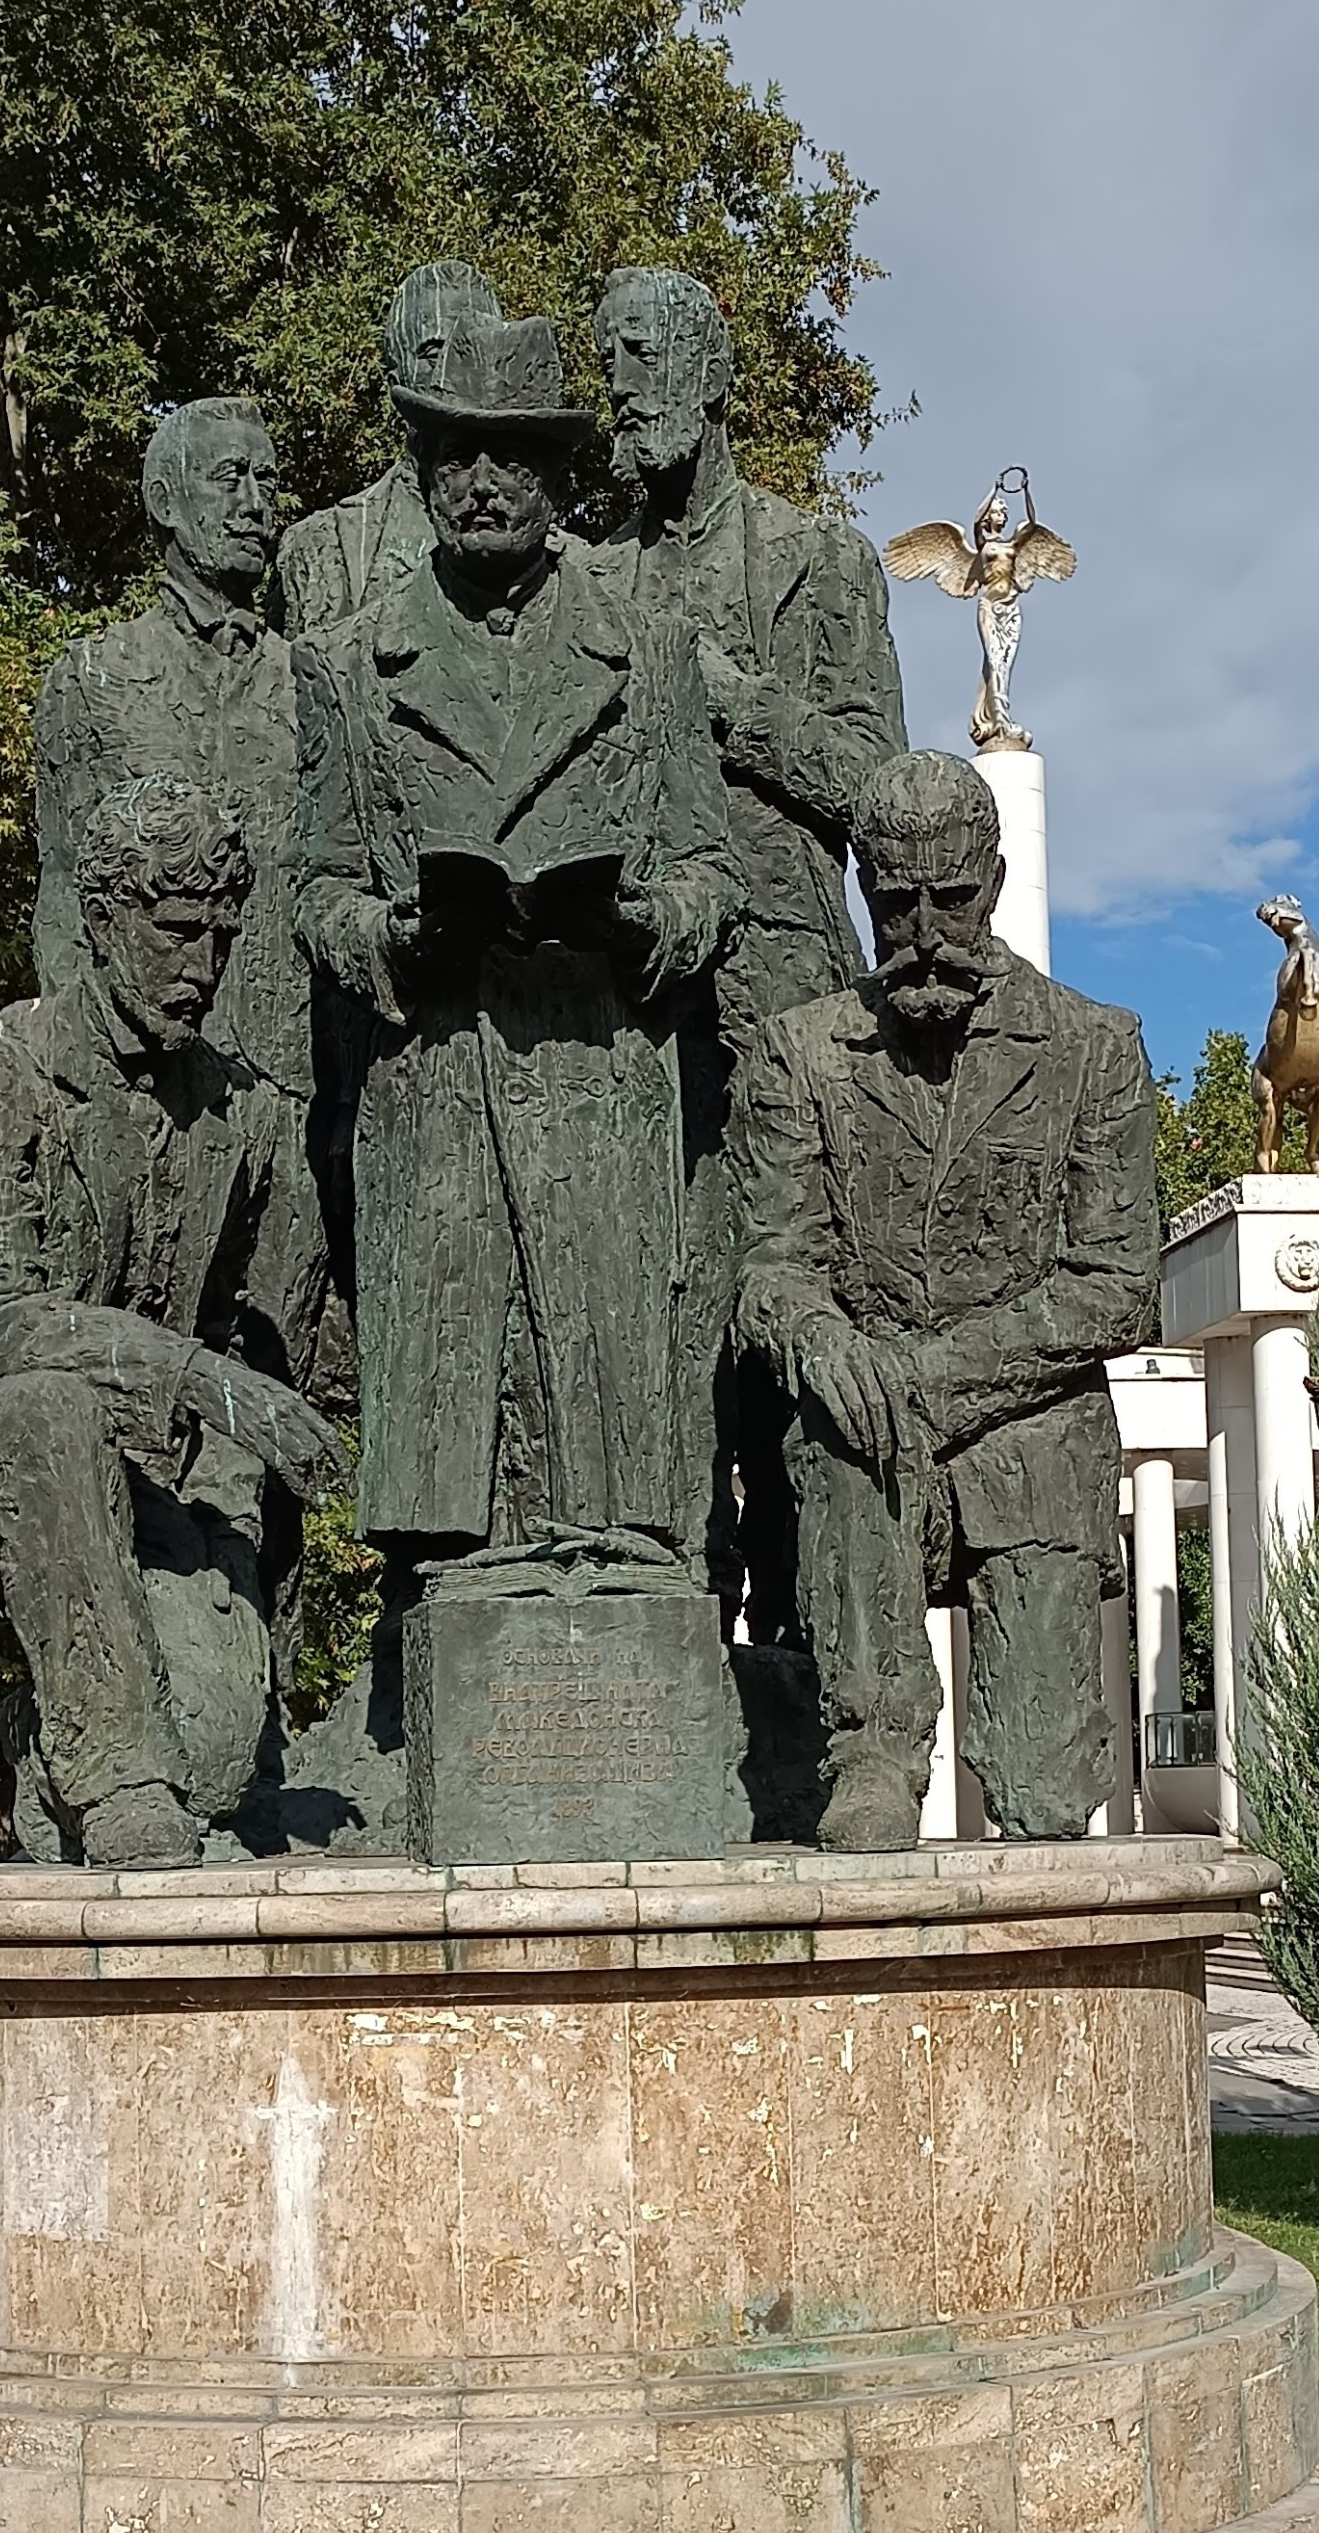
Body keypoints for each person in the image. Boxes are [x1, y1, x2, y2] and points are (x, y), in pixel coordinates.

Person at [293, 311, 740, 1732]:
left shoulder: (646, 640)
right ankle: (439, 1686)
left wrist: (648, 924)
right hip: (436, 1074)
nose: (480, 478)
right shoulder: (355, 661)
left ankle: (610, 1630)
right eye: (451, 451)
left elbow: (709, 865)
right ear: (422, 468)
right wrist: (393, 932)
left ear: (559, 478)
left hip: (603, 1068)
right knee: (456, 1466)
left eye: (512, 454)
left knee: (605, 1442)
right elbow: (312, 883)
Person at [0, 781, 346, 1869]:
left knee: (222, 1762)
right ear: (102, 920)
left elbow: (281, 1347)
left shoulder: (247, 1114)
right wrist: (200, 1377)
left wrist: (247, 1461)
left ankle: (65, 1746)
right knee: (45, 1409)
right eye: (175, 932)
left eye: (223, 937)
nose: (202, 965)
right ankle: (115, 1783)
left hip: (148, 1478)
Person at [733, 750, 1158, 1847]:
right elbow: (772, 1261)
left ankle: (1037, 1745)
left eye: (951, 898)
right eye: (894, 902)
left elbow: (1116, 1285)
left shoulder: (1092, 1045)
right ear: (862, 894)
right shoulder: (801, 1052)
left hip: (1031, 1441)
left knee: (1044, 1798)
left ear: (996, 880)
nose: (923, 929)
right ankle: (869, 1742)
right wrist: (816, 1334)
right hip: (866, 1457)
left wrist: (919, 1379)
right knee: (837, 1421)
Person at [592, 265, 907, 1626]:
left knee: (784, 1331)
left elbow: (884, 795)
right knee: (652, 1331)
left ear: (714, 375)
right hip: (625, 1007)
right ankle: (663, 1621)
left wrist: (731, 705)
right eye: (609, 360)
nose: (622, 386)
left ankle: (800, 1648)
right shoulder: (583, 578)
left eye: (647, 356)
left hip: (784, 996)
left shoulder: (815, 562)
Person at [34, 398, 327, 1391]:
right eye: (228, 479)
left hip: (282, 1086)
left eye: (266, 480)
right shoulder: (91, 678)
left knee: (270, 1364)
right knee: (123, 1366)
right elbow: (61, 892)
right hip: (138, 1092)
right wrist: (75, 1085)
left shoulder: (312, 686)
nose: (256, 504)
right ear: (165, 499)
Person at [278, 261, 505, 637]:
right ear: (396, 381)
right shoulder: (323, 547)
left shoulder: (558, 559)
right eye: (433, 352)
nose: (451, 368)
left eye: (469, 347)